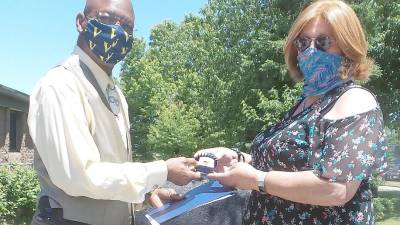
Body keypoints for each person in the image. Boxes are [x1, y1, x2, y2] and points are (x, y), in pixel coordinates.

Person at [195, 0, 388, 224]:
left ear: (348, 45)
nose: (311, 50)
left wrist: (257, 179)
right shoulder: (304, 104)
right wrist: (237, 158)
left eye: (323, 41)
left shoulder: (354, 100)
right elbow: (289, 162)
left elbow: (336, 188)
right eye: (303, 42)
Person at [28, 0, 200, 224]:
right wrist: (163, 171)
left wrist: (147, 195)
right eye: (107, 19)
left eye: (127, 27)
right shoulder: (61, 85)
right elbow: (79, 177)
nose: (117, 31)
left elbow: (112, 169)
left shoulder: (114, 91)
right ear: (81, 22)